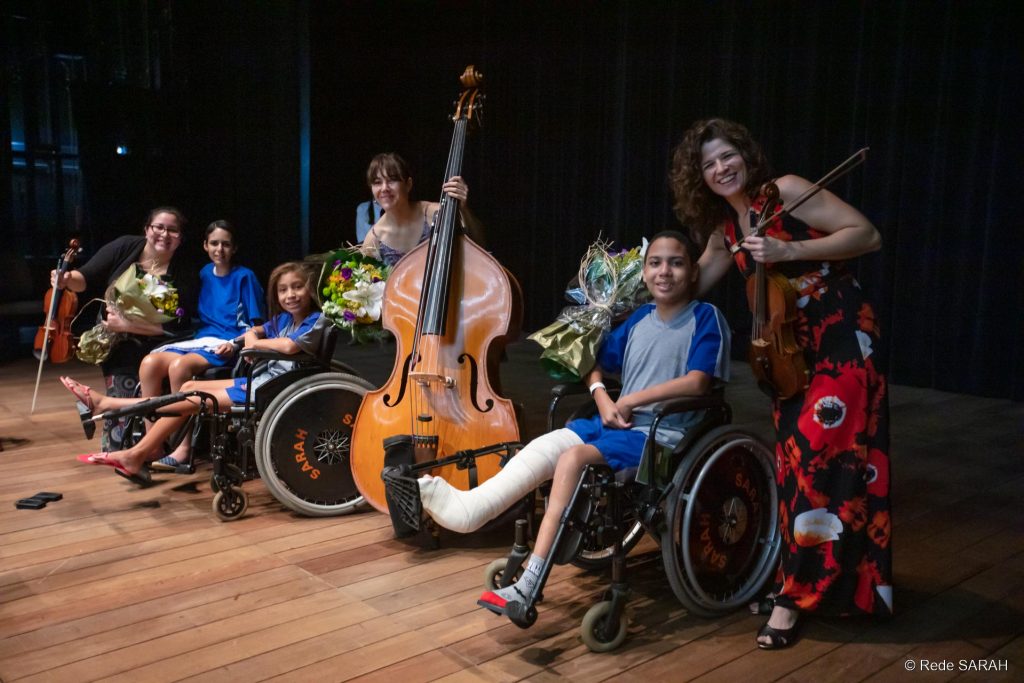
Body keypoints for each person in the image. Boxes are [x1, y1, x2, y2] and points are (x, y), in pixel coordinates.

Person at [401, 231, 730, 618]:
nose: (665, 271)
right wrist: (601, 395)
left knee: (573, 459)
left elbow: (698, 382)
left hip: (664, 434)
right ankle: (472, 509)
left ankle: (529, 583)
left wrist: (629, 399)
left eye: (676, 263)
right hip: (617, 422)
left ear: (693, 272)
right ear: (643, 272)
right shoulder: (639, 319)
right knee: (547, 444)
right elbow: (594, 362)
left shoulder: (706, 318)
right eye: (655, 262)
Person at [669, 118, 891, 650]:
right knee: (798, 469)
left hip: (840, 343)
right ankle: (820, 582)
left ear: (745, 155)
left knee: (822, 464)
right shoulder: (727, 230)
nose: (721, 168)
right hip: (786, 355)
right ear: (699, 177)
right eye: (709, 164)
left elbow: (867, 235)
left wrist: (790, 252)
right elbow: (692, 278)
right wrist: (638, 276)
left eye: (728, 156)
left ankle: (795, 599)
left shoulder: (785, 193)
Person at [60, 262, 327, 485]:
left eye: (297, 287)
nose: (290, 294)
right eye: (283, 290)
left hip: (276, 390)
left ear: (310, 289)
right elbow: (256, 330)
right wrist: (248, 336)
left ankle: (119, 422)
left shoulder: (316, 320)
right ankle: (112, 412)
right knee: (187, 388)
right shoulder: (282, 321)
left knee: (196, 400)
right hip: (261, 382)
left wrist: (255, 345)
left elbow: (290, 345)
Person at [52, 207, 197, 451]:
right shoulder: (126, 247)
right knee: (120, 445)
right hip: (120, 345)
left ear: (180, 238)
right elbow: (84, 278)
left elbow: (174, 328)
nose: (165, 234)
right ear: (147, 229)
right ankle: (126, 432)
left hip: (159, 345)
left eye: (173, 230)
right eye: (158, 227)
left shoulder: (184, 271)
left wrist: (130, 324)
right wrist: (66, 279)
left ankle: (141, 434)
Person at [139, 220, 266, 470]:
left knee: (178, 367)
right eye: (215, 243)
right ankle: (152, 444)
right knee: (149, 363)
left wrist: (236, 343)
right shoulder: (204, 273)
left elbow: (257, 324)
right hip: (203, 338)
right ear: (205, 246)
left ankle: (183, 448)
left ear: (234, 248)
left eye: (226, 244)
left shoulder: (245, 276)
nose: (220, 249)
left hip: (228, 342)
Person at [359, 152, 484, 266]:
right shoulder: (373, 240)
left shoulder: (434, 213)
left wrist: (463, 209)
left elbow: (478, 242)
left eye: (392, 180)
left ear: (408, 184)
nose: (384, 188)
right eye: (377, 182)